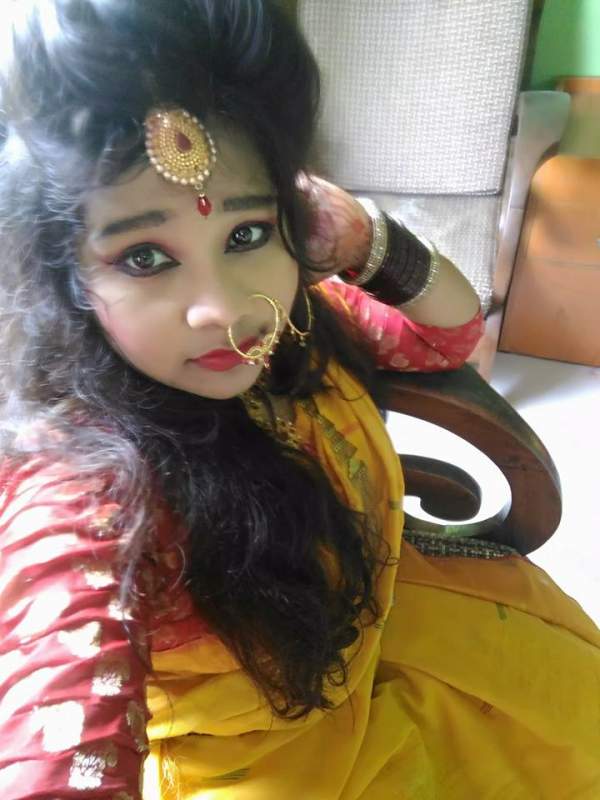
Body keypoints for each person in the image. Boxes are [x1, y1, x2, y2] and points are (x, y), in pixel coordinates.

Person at [0, 1, 598, 798]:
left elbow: (448, 335)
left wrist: (361, 237)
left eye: (246, 234)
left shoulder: (294, 323)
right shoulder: (89, 485)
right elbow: (56, 719)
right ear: (67, 280)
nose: (223, 307)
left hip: (394, 636)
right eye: (144, 257)